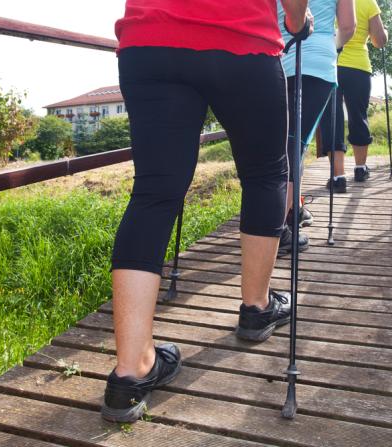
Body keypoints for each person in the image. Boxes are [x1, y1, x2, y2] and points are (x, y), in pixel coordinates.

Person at [102, 0, 310, 423]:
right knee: (266, 173)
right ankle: (256, 307)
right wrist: (294, 19)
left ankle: (130, 371)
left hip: (151, 39)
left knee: (154, 193)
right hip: (241, 40)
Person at [277, 0, 356, 255]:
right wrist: (334, 45)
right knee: (295, 144)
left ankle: (291, 211)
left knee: (283, 141)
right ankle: (276, 230)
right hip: (317, 61)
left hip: (276, 57)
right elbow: (347, 25)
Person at [320, 0, 387, 192]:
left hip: (331, 62)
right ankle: (360, 169)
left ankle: (338, 177)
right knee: (359, 116)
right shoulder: (368, 2)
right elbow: (379, 40)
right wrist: (385, 34)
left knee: (332, 118)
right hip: (358, 68)